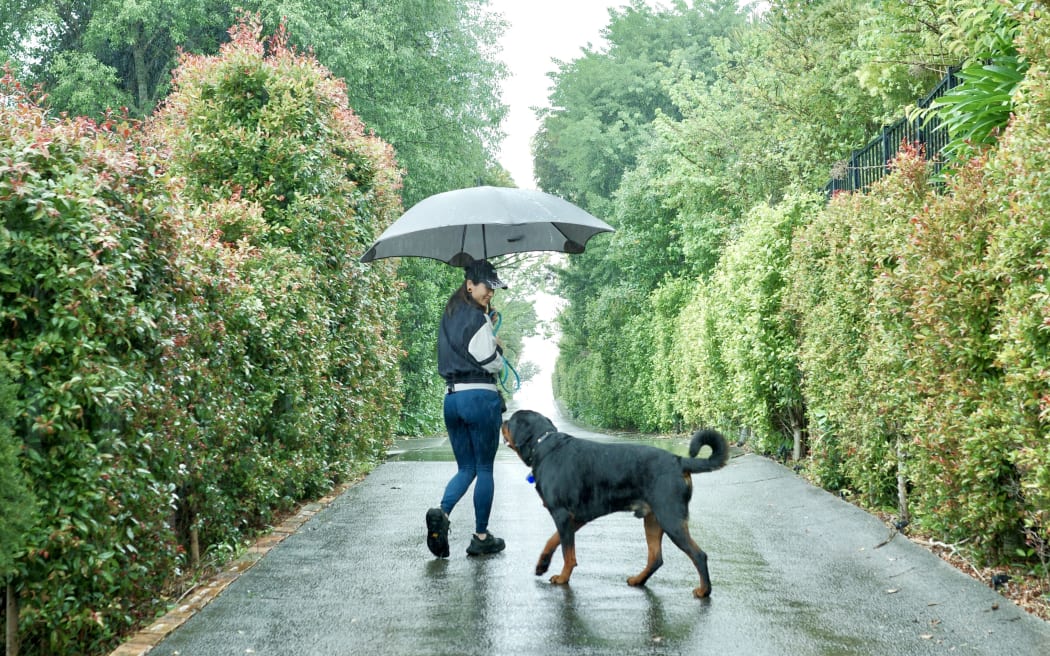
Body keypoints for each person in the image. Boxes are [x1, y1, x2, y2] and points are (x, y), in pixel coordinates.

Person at [426, 259, 508, 558]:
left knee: (467, 467)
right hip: (479, 397)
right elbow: (491, 362)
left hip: (452, 398)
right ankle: (481, 535)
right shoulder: (476, 319)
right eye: (488, 287)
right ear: (470, 284)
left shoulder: (449, 316)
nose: (490, 293)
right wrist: (498, 346)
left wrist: (487, 319)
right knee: (485, 467)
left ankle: (442, 513)